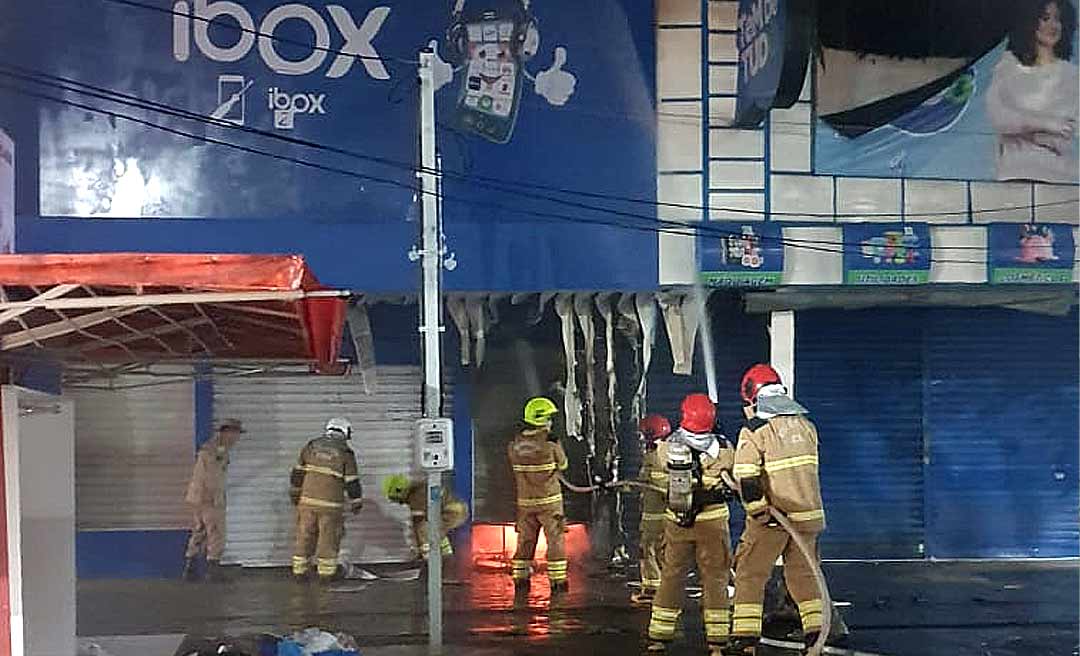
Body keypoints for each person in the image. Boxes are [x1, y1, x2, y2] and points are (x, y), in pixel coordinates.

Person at [729, 364, 826, 655]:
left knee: (749, 573)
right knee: (805, 577)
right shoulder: (807, 426)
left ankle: (745, 638)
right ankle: (815, 637)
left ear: (753, 395)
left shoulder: (756, 430)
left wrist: (759, 511)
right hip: (807, 520)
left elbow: (746, 476)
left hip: (774, 519)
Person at [647, 394, 734, 655]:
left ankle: (658, 638)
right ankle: (717, 643)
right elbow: (735, 476)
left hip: (678, 523)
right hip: (713, 523)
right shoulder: (725, 449)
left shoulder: (666, 448)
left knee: (671, 577)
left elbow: (661, 485)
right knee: (716, 579)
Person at [987, 0, 1079, 183]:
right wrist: (1048, 124)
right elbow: (1000, 118)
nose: (1052, 25)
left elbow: (1071, 127)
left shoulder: (1072, 75)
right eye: (1045, 18)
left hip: (1060, 178)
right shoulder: (1007, 68)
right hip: (1014, 175)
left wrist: (1024, 129)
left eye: (1058, 19)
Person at [508, 397, 570, 595]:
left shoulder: (514, 445)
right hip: (550, 503)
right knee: (555, 540)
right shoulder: (551, 443)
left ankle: (520, 579)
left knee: (525, 540)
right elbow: (563, 464)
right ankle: (558, 582)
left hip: (525, 503)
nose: (551, 422)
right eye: (549, 418)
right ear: (542, 420)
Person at [290, 417, 364, 583]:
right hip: (331, 506)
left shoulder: (311, 446)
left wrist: (295, 494)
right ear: (344, 432)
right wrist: (356, 502)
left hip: (307, 502)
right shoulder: (345, 453)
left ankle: (299, 571)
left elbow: (297, 473)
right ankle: (326, 575)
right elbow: (352, 481)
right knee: (328, 539)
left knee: (304, 535)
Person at [182, 418, 244, 582]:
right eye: (236, 434)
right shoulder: (216, 451)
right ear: (227, 433)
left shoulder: (211, 448)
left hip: (197, 498)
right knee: (216, 533)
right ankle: (213, 571)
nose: (237, 439)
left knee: (199, 531)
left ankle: (190, 568)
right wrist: (216, 499)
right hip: (209, 498)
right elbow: (212, 478)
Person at [383, 473, 470, 578]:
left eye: (398, 500)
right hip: (458, 509)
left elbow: (418, 524)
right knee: (438, 533)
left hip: (451, 512)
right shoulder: (422, 489)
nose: (402, 503)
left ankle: (430, 563)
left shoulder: (415, 497)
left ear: (399, 491)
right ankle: (447, 560)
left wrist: (421, 548)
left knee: (426, 530)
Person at [631, 414, 672, 606]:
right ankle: (662, 588)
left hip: (655, 516)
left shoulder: (655, 455)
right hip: (663, 515)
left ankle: (652, 591)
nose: (640, 438)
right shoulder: (666, 450)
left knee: (648, 550)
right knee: (661, 551)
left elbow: (651, 483)